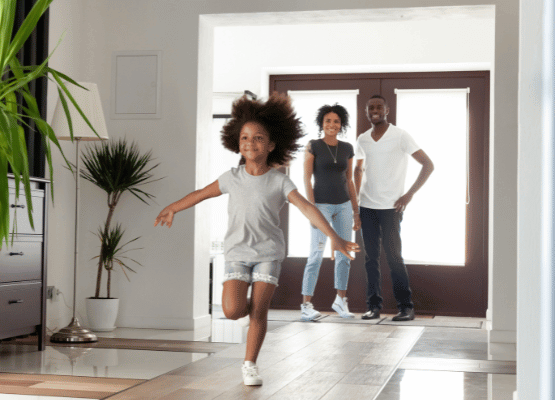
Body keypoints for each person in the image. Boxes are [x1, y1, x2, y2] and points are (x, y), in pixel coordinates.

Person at [154, 93, 359, 387]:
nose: (250, 143)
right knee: (233, 310)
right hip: (237, 252)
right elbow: (199, 194)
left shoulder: (279, 180)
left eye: (258, 138)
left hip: (268, 253)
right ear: (238, 143)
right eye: (245, 138)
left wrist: (335, 238)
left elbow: (307, 208)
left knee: (259, 311)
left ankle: (250, 364)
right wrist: (173, 206)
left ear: (272, 145)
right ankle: (249, 314)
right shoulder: (231, 177)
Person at [354, 95, 434, 322]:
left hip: (391, 208)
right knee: (370, 259)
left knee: (394, 257)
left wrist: (409, 195)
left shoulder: (400, 136)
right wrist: (355, 202)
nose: (375, 110)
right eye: (371, 108)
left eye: (379, 107)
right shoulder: (363, 139)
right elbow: (358, 170)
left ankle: (406, 307)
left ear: (387, 110)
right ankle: (373, 307)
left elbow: (428, 165)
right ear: (367, 112)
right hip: (366, 206)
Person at [300, 104, 361, 321]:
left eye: (336, 121)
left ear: (341, 124)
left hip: (344, 205)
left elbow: (350, 180)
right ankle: (306, 305)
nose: (332, 125)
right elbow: (307, 178)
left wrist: (355, 211)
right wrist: (311, 208)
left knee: (344, 253)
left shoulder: (347, 148)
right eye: (328, 121)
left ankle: (340, 300)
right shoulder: (313, 146)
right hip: (321, 207)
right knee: (316, 254)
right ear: (321, 124)